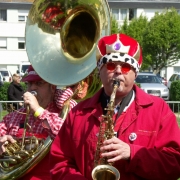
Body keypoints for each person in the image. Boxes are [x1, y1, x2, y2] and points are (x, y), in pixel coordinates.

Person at [50, 33, 180, 180]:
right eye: (111, 65)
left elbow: (175, 163)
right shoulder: (78, 113)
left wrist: (132, 153)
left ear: (135, 73)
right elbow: (59, 162)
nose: (118, 71)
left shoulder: (159, 109)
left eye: (125, 67)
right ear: (100, 71)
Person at [0, 65, 77, 180]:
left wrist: (38, 110)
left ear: (52, 87)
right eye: (30, 84)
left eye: (39, 83)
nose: (32, 88)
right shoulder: (15, 115)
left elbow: (68, 136)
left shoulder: (65, 110)